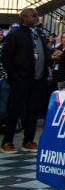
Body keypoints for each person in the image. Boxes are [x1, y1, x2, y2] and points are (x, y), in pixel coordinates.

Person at [1, 8, 48, 153]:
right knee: (15, 109)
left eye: (37, 15)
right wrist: (14, 76)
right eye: (33, 15)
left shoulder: (39, 33)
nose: (37, 17)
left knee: (33, 111)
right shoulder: (15, 34)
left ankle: (28, 140)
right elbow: (6, 56)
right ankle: (7, 141)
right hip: (22, 79)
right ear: (24, 18)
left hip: (38, 79)